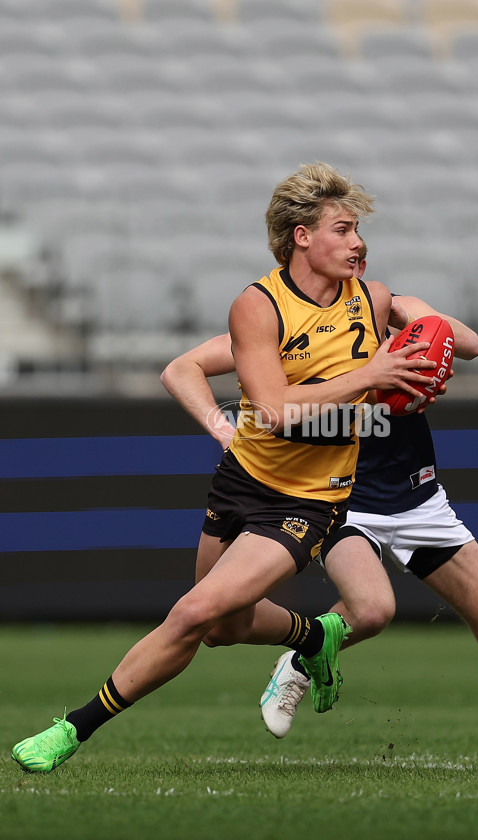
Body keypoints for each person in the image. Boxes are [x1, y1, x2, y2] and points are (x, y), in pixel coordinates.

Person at [12, 162, 439, 774]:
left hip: (309, 500)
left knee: (192, 613)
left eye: (357, 231)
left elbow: (464, 341)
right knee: (223, 626)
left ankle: (71, 729)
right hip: (242, 481)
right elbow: (269, 407)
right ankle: (315, 639)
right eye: (343, 230)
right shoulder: (259, 305)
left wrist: (431, 344)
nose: (358, 243)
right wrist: (226, 425)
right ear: (301, 236)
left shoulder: (372, 301)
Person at [159, 239, 478, 774]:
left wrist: (410, 312)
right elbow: (183, 368)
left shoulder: (396, 321)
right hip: (340, 497)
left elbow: (469, 343)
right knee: (373, 609)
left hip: (416, 497)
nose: (356, 255)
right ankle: (302, 655)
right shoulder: (290, 330)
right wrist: (224, 430)